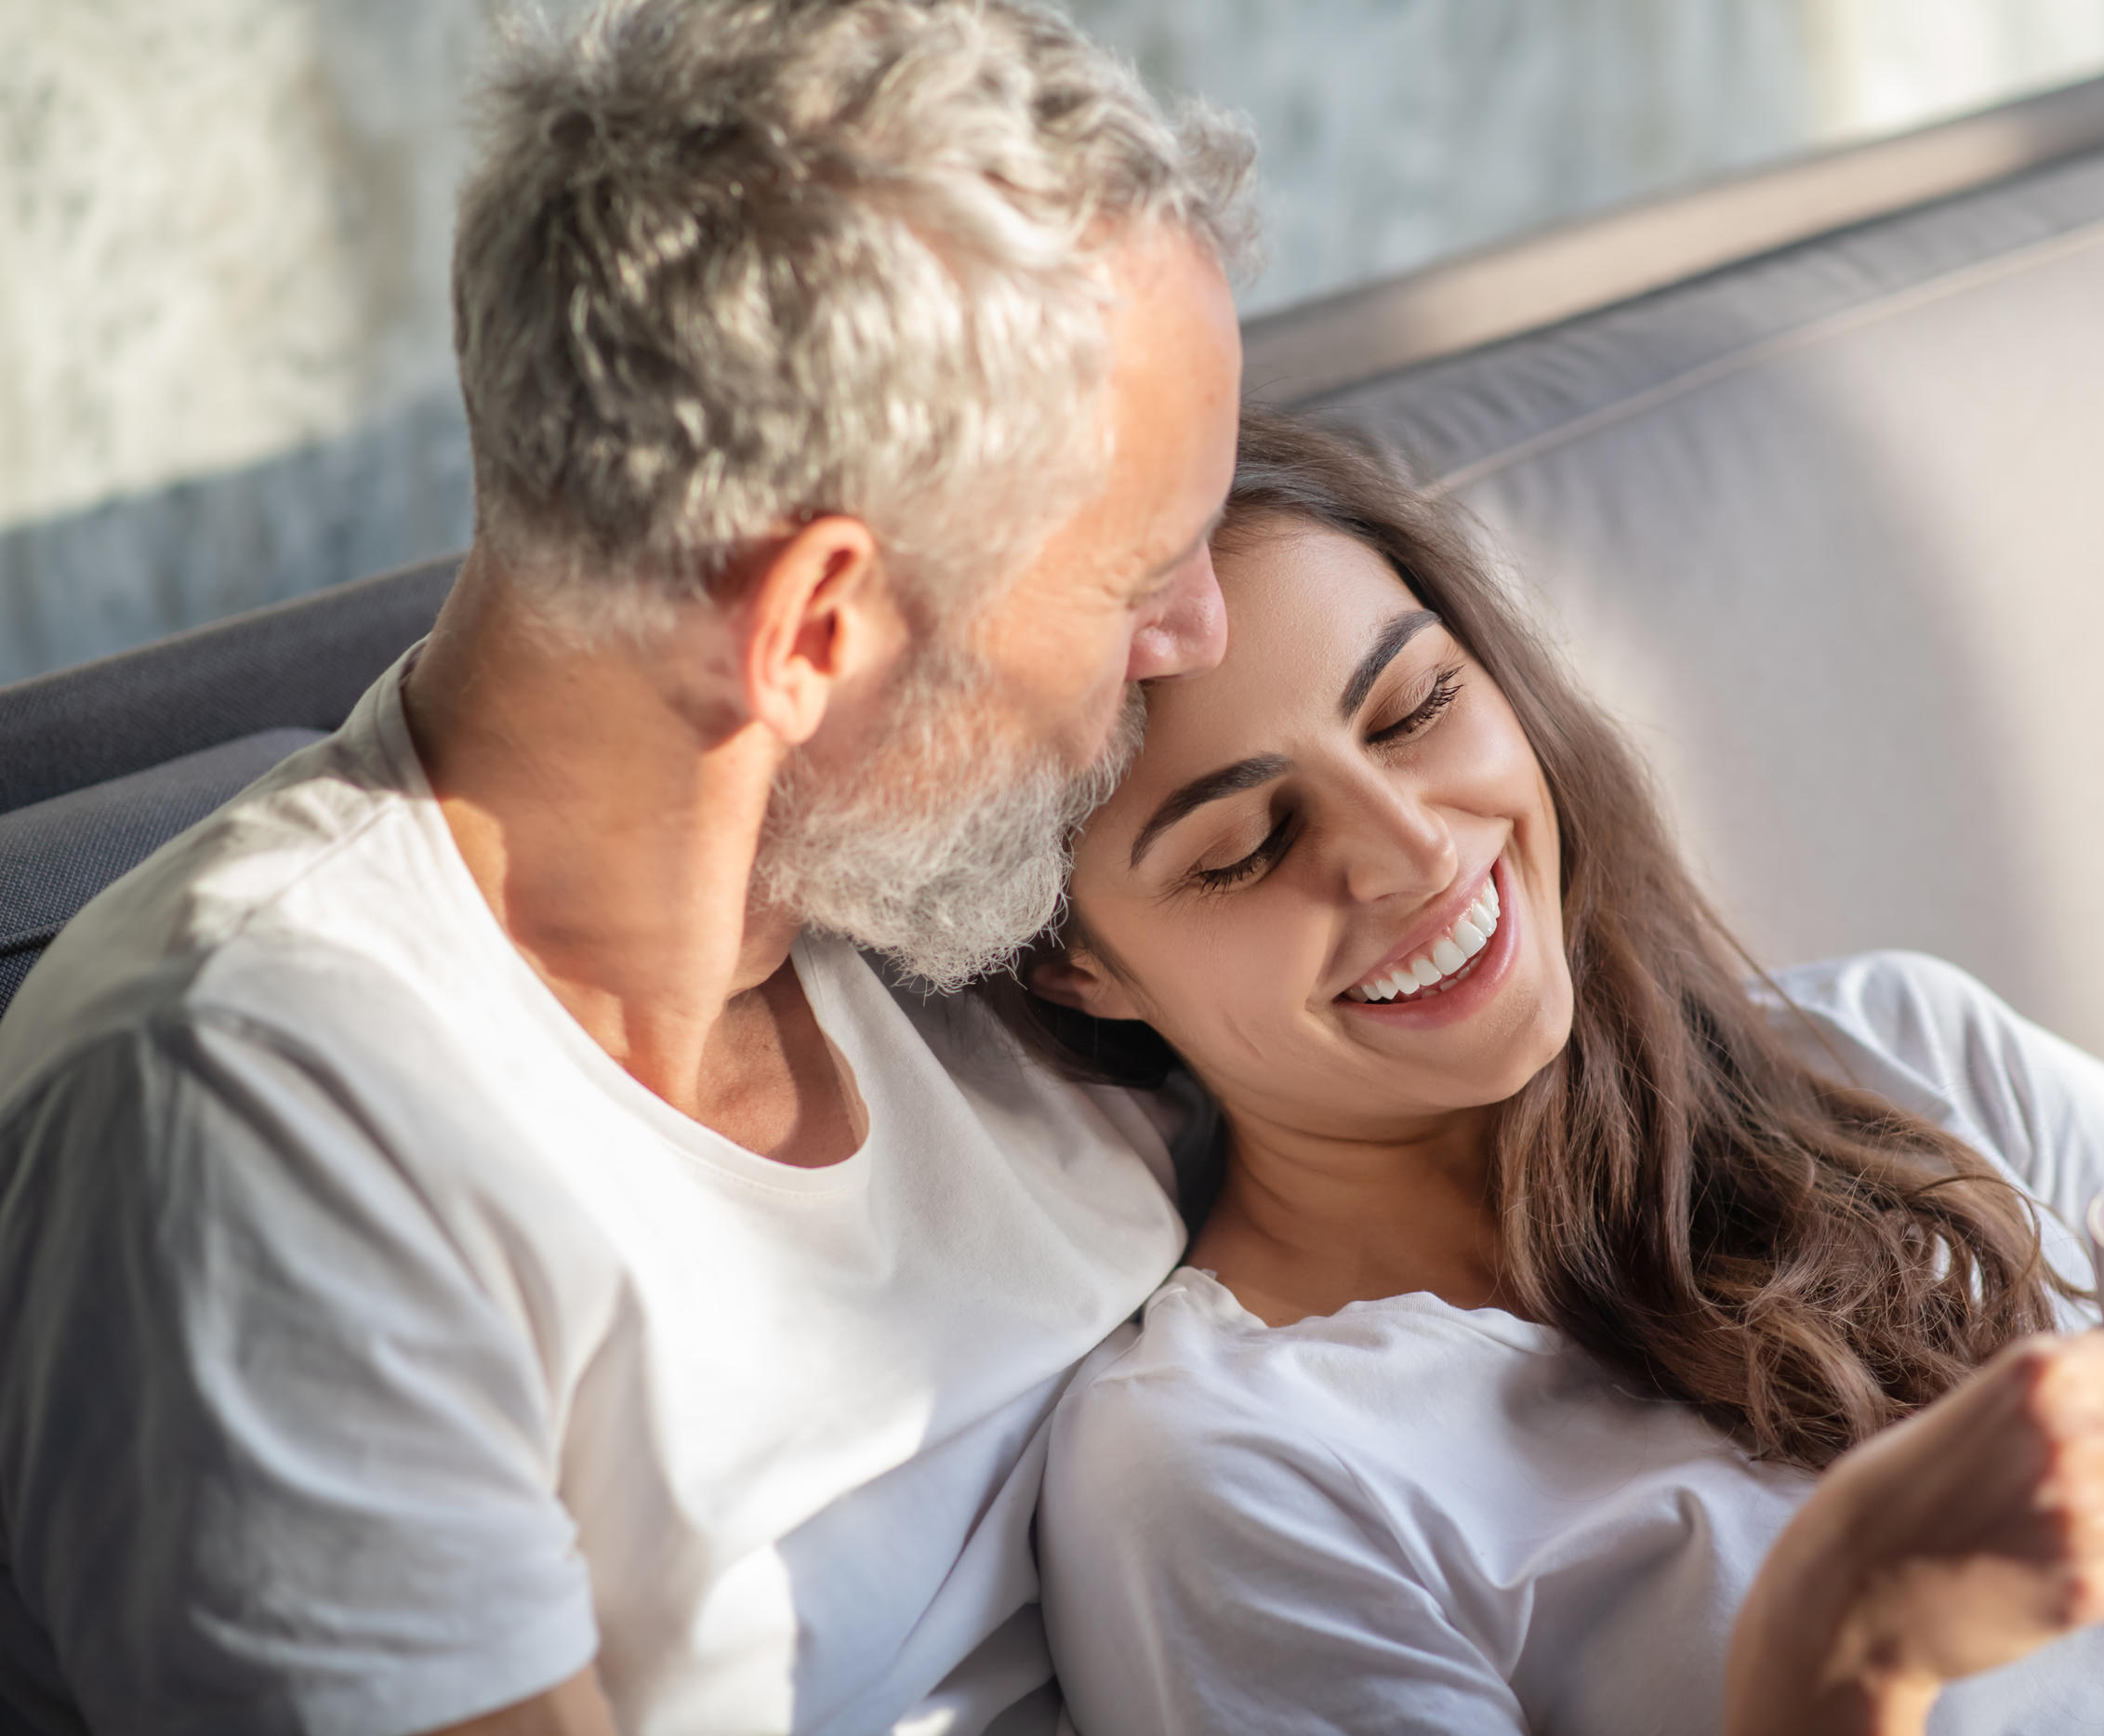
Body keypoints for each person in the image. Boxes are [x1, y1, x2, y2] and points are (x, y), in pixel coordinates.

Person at [0, 3, 1250, 1731]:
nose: (1207, 634)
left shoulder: (929, 893)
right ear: (817, 630)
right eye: (1143, 579)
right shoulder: (258, 1116)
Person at [1006, 412, 2104, 1736]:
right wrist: (1849, 1647)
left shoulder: (1906, 1053)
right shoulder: (1230, 1479)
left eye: (1420, 708)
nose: (1413, 849)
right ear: (1080, 963)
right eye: (1243, 847)